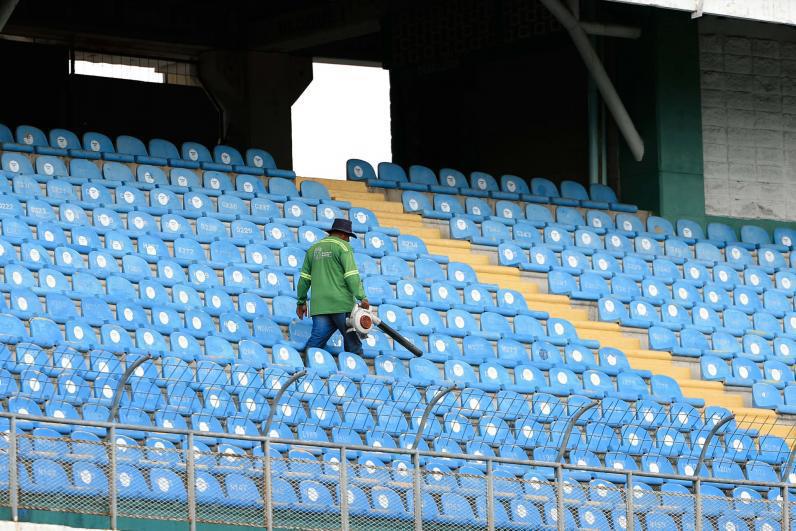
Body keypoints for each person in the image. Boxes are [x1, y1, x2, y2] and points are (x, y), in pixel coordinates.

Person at [296, 218, 369, 358]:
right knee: (354, 346)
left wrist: (301, 302)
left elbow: (304, 279)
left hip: (320, 306)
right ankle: (355, 377)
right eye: (348, 237)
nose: (348, 240)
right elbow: (351, 275)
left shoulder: (313, 249)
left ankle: (302, 370)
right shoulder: (343, 247)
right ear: (343, 234)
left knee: (315, 342)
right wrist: (362, 297)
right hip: (341, 305)